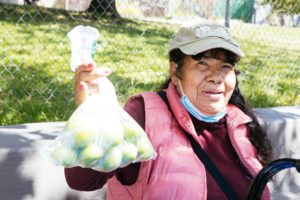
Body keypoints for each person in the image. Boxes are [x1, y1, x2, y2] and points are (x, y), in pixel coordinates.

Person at [65, 20, 273, 200]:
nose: (215, 76)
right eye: (202, 64)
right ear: (175, 71)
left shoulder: (240, 122)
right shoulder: (144, 114)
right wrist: (94, 114)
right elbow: (82, 180)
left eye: (225, 67)